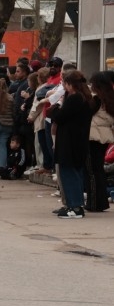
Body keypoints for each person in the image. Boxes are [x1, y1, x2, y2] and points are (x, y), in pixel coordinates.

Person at [48, 69, 94, 219]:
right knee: (74, 173)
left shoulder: (75, 99)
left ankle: (75, 206)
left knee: (69, 173)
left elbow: (59, 117)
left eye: (64, 83)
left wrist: (56, 106)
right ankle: (73, 204)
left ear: (69, 84)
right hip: (77, 140)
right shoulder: (85, 98)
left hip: (70, 142)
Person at [85, 72, 114, 212]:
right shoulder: (109, 98)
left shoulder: (96, 99)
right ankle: (100, 201)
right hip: (104, 137)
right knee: (98, 170)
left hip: (93, 136)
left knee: (92, 171)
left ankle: (94, 202)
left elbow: (86, 113)